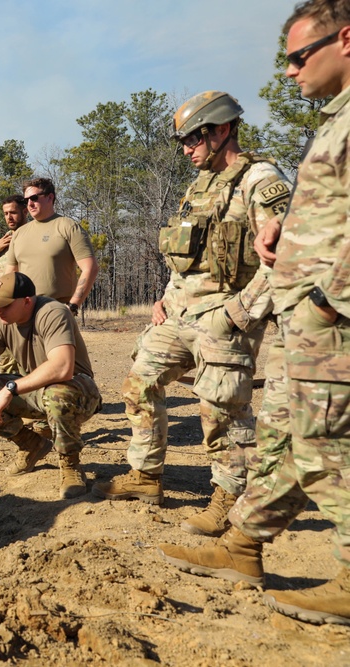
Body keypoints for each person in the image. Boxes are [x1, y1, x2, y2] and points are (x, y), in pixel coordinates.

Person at [158, 1, 350, 625]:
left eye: (298, 57)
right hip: (304, 319)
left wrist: (320, 299)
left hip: (326, 319)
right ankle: (243, 546)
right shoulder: (334, 123)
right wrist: (286, 238)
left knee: (322, 448)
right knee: (280, 443)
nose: (290, 71)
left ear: (344, 40)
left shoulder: (271, 166)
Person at [93, 91, 292, 538]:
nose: (186, 149)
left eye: (193, 139)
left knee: (220, 408)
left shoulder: (260, 182)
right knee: (139, 383)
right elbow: (186, 259)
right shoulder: (198, 186)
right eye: (183, 141)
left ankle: (230, 497)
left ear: (222, 130)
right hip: (180, 313)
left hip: (227, 316)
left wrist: (239, 314)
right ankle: (146, 476)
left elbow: (285, 261)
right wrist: (164, 296)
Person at [0, 272, 101, 498]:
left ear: (27, 301)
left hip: (78, 391)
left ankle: (70, 464)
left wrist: (10, 389)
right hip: (35, 389)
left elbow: (63, 367)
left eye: (3, 305)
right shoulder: (1, 321)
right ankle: (30, 445)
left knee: (56, 394)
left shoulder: (53, 312)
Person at [7, 177, 98, 316]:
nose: (30, 204)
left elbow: (90, 268)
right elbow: (10, 276)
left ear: (50, 197)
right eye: (26, 200)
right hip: (24, 312)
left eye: (34, 198)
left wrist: (73, 306)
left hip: (57, 310)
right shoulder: (19, 234)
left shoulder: (68, 227)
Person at [0, 194, 28, 282]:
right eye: (6, 214)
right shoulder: (3, 240)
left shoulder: (32, 237)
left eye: (13, 213)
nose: (9, 217)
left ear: (25, 212)